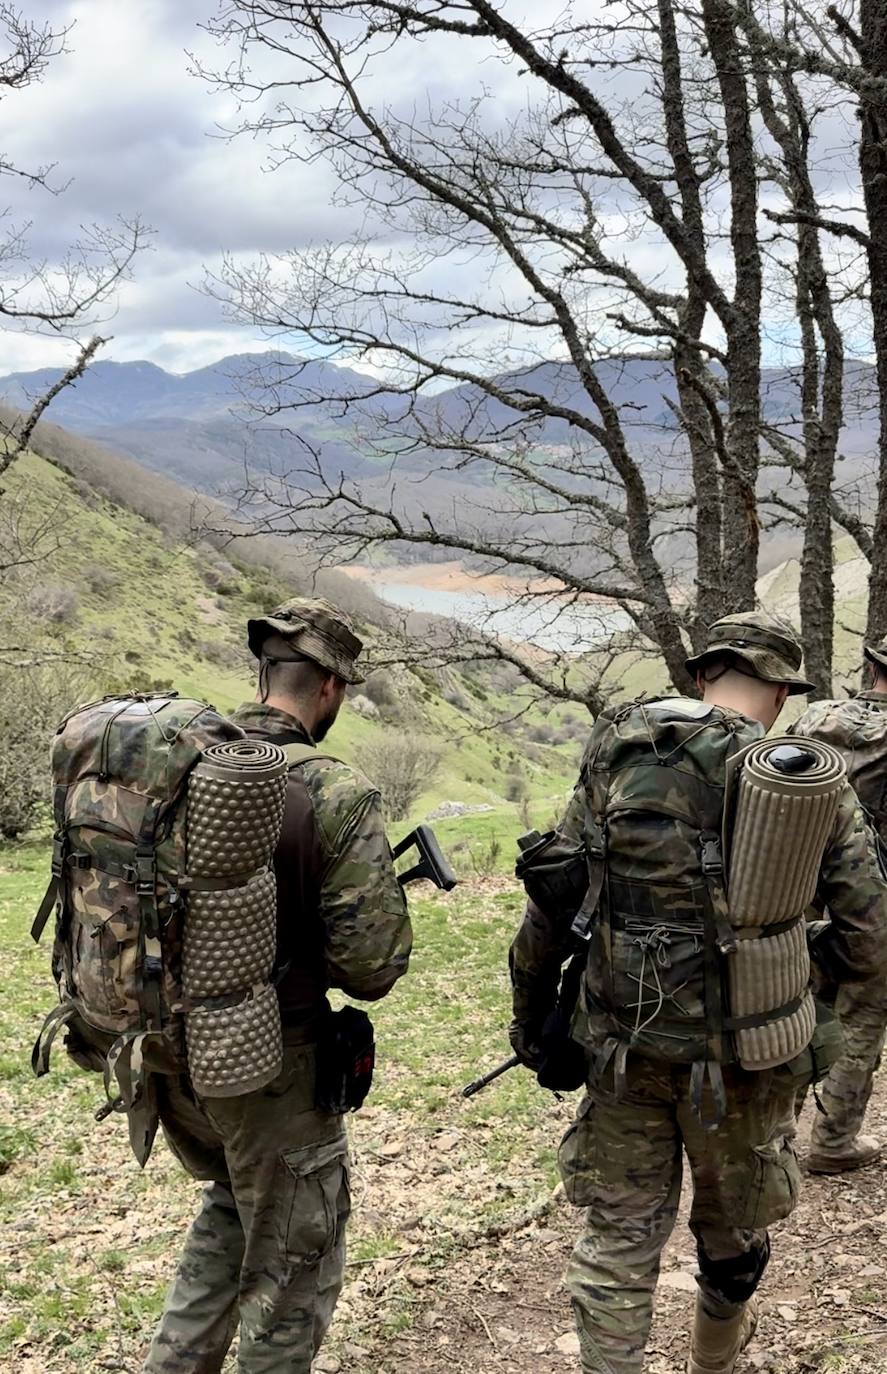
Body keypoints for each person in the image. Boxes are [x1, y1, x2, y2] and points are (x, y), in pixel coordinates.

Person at [509, 612, 887, 1374]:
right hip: (748, 1057)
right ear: (778, 692)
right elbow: (869, 933)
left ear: (699, 674)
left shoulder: (618, 746)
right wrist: (806, 980)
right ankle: (713, 1360)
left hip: (621, 1044)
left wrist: (529, 1010)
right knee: (733, 1231)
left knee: (618, 1240)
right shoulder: (806, 777)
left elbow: (556, 893)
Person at [143, 596, 412, 1374]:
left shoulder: (177, 767)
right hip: (269, 1069)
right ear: (329, 687)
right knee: (292, 1273)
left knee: (230, 1215)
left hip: (168, 1058)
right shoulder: (332, 790)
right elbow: (374, 967)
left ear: (262, 672)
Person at [787, 634, 887, 1173]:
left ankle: (776, 1133)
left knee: (796, 1007)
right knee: (863, 1017)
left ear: (871, 666)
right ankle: (832, 1142)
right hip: (875, 898)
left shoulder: (817, 717)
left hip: (800, 886)